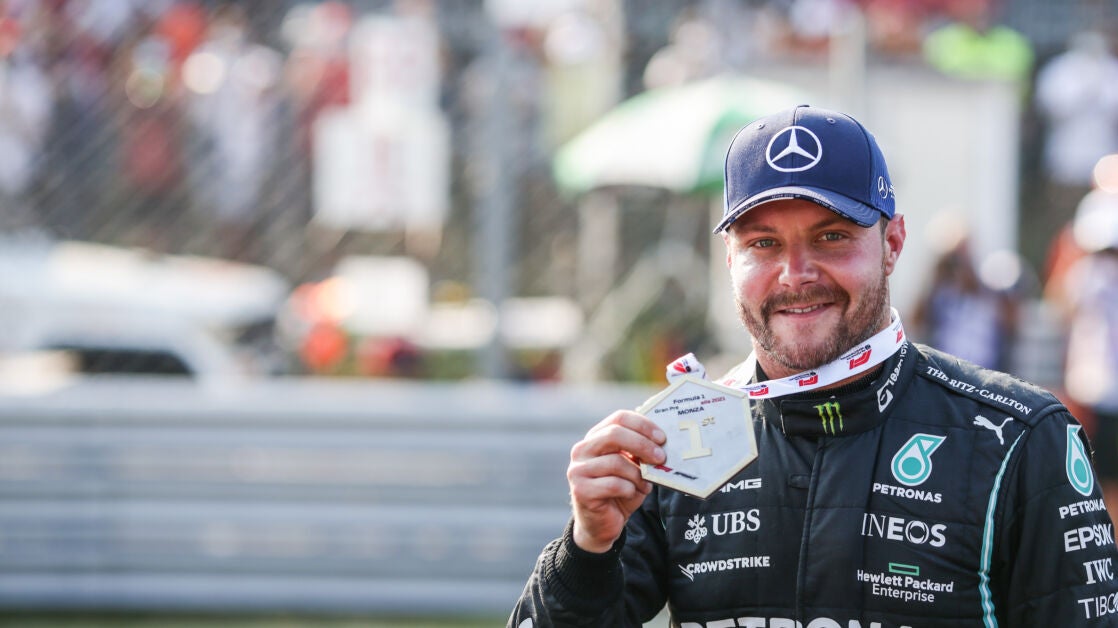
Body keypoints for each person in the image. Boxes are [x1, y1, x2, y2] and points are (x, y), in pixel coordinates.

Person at [509, 105, 1118, 627]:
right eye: (763, 243)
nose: (795, 275)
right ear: (730, 259)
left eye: (831, 237)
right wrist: (586, 548)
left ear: (893, 243)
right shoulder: (675, 438)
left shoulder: (1020, 437)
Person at [1061, 189, 1118, 529]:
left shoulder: (1085, 272)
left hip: (1093, 387)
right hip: (1093, 388)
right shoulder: (1087, 273)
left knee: (1093, 480)